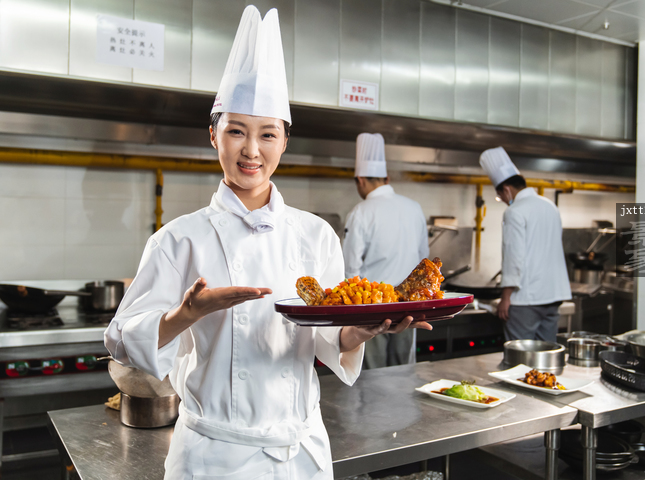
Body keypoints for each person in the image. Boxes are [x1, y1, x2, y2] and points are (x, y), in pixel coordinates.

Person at [104, 6, 430, 479]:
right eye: (236, 131)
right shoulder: (177, 238)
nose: (251, 150)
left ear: (284, 143)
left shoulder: (315, 235)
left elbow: (328, 338)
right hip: (214, 458)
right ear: (213, 135)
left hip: (300, 454)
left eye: (267, 134)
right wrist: (186, 314)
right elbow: (121, 341)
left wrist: (362, 331)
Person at [343, 133, 430, 369]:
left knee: (373, 371)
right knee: (403, 368)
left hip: (373, 307)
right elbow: (424, 260)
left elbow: (350, 269)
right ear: (387, 178)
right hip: (408, 304)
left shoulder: (361, 211)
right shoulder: (414, 207)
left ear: (360, 180)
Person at [479, 146, 571, 342]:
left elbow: (514, 257)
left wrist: (506, 297)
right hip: (553, 296)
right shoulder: (550, 206)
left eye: (501, 197)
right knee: (546, 352)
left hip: (526, 299)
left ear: (506, 189)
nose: (503, 201)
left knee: (519, 354)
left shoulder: (515, 211)